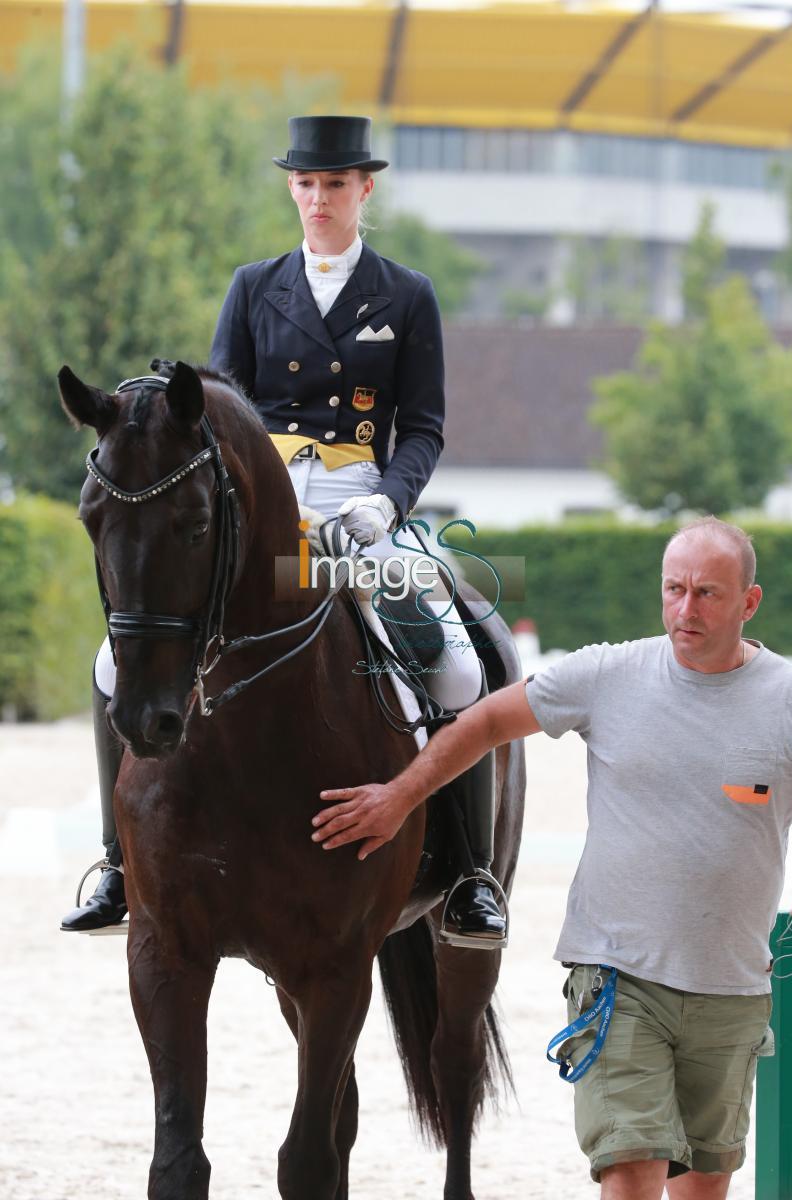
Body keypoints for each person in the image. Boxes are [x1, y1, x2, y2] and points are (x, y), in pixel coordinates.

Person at [62, 115, 505, 945]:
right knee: (108, 664)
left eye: (334, 185)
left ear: (363, 189)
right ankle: (117, 862)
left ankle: (470, 875)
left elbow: (427, 427)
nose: (318, 199)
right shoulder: (253, 285)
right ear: (292, 189)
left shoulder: (406, 294)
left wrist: (390, 503)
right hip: (264, 505)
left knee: (454, 662)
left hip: (365, 501)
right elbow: (216, 418)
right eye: (305, 184)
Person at [312, 516, 792, 1199]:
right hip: (620, 980)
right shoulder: (607, 675)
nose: (685, 609)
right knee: (630, 1174)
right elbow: (481, 721)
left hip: (734, 988)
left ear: (749, 603)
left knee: (704, 1189)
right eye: (674, 589)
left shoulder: (788, 699)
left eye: (707, 594)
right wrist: (398, 797)